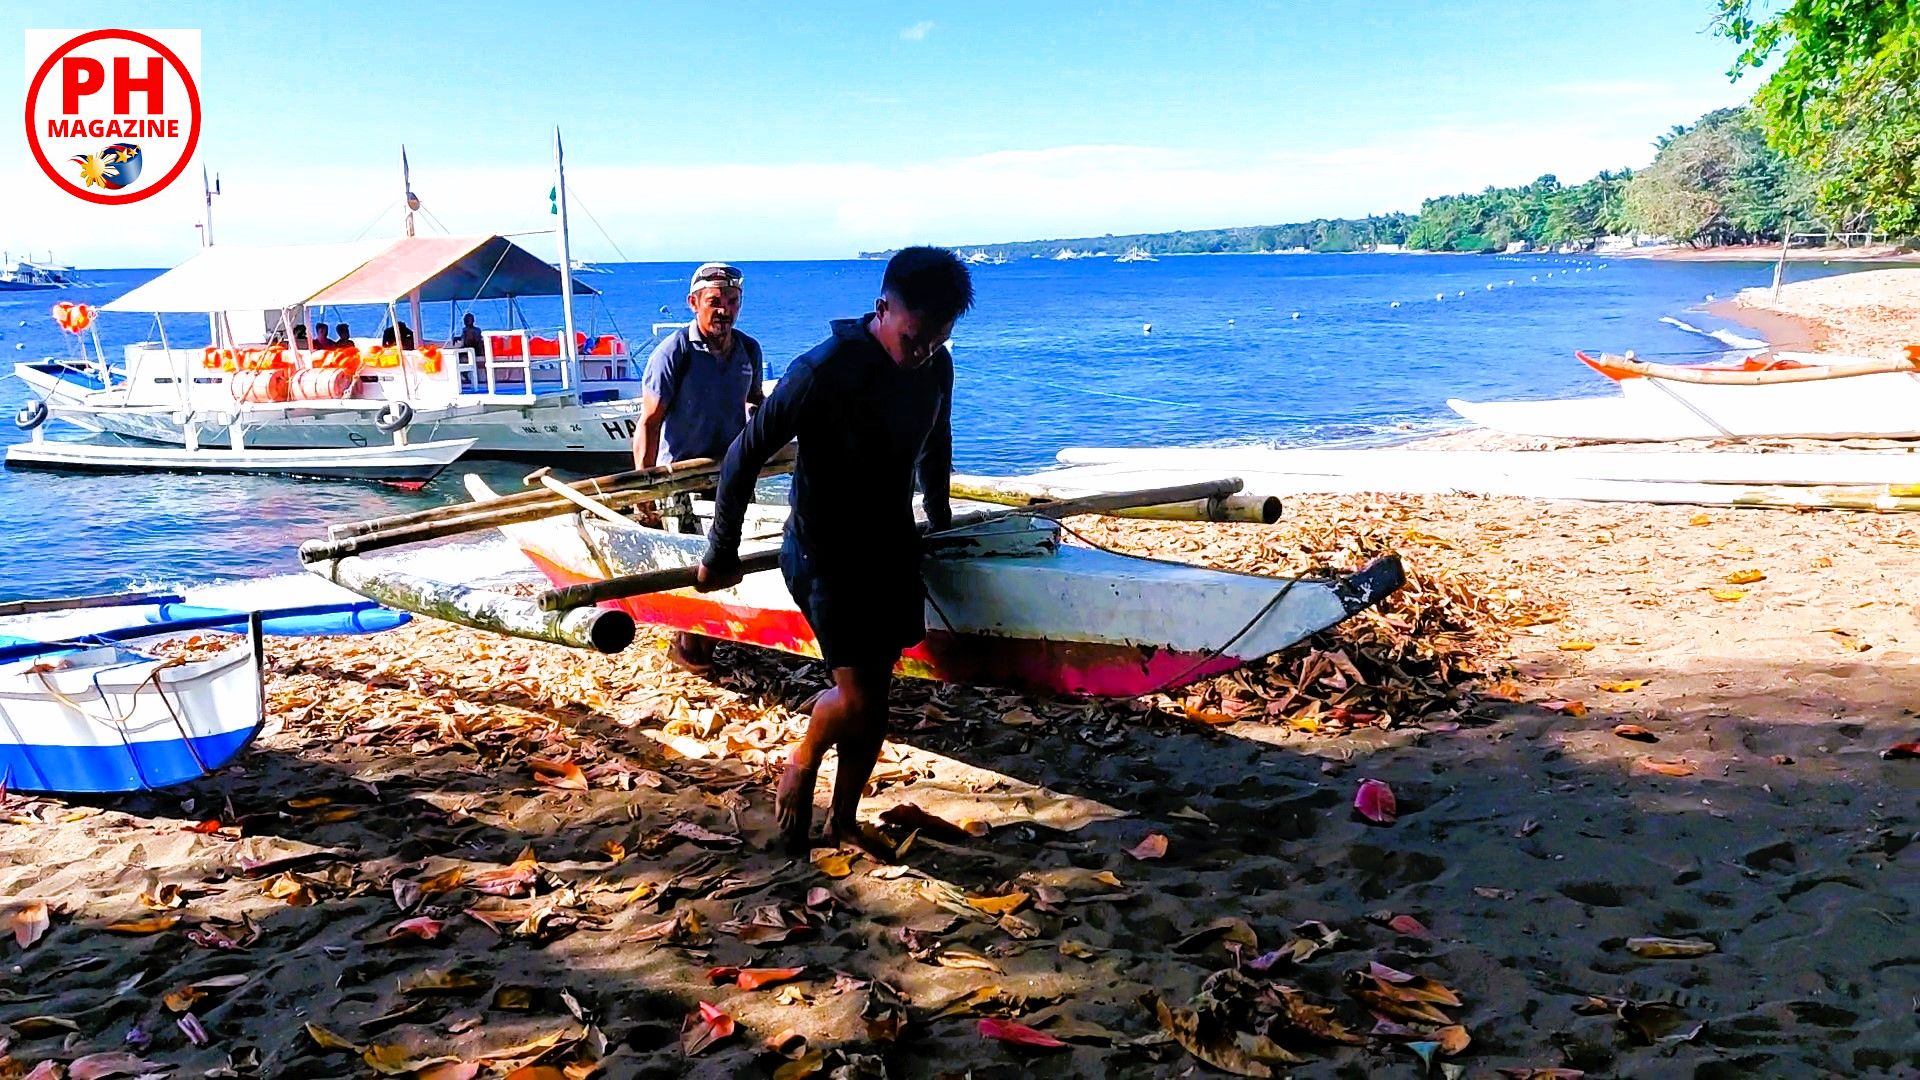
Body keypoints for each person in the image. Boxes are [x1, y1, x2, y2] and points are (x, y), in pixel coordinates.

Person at [698, 247, 971, 853]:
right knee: (858, 692)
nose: (923, 350)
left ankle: (843, 820)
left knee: (877, 698)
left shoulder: (936, 367)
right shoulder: (823, 369)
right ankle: (801, 759)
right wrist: (722, 551)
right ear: (882, 309)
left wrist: (941, 516)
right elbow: (745, 455)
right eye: (915, 336)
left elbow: (937, 442)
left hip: (892, 546)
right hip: (823, 552)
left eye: (939, 338)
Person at [636, 262, 765, 673]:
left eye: (732, 301)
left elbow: (755, 404)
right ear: (694, 303)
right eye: (714, 302)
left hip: (732, 474)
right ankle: (689, 647)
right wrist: (645, 491)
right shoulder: (673, 353)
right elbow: (649, 423)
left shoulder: (749, 349)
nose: (723, 310)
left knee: (730, 553)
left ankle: (710, 634)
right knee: (693, 559)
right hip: (682, 477)